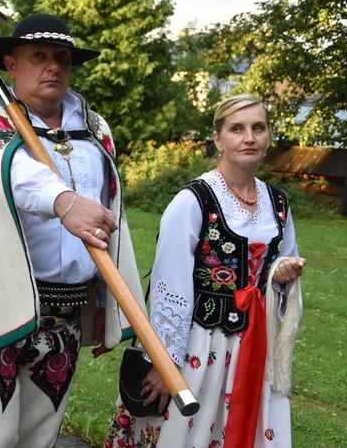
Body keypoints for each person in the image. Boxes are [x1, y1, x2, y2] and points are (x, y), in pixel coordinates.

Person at [0, 13, 145, 447]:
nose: (53, 66)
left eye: (62, 58)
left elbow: (111, 212)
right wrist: (64, 201)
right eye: (38, 56)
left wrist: (106, 299)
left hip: (66, 314)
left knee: (39, 437)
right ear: (11, 65)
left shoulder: (95, 130)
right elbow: (9, 169)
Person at [106, 93, 305, 447]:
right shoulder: (193, 200)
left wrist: (281, 273)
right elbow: (171, 288)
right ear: (218, 138)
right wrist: (165, 365)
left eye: (258, 128)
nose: (249, 138)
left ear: (269, 135)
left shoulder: (277, 203)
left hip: (253, 345)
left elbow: (278, 264)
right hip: (200, 344)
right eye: (237, 129)